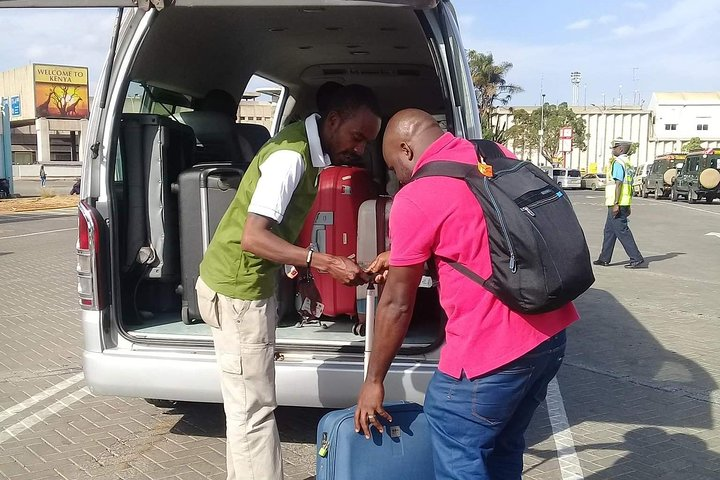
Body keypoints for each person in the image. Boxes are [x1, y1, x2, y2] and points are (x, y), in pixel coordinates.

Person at [354, 108, 578, 480]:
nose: (397, 177)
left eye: (394, 166)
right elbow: (481, 227)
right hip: (551, 335)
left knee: (455, 440)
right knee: (504, 446)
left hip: (487, 354)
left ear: (406, 150)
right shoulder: (495, 154)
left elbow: (397, 303)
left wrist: (374, 381)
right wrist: (405, 254)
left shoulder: (416, 197)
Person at [196, 84, 381, 480]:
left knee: (248, 406)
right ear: (333, 122)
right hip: (237, 290)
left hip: (246, 286)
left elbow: (283, 224)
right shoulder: (289, 157)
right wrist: (324, 261)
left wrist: (304, 273)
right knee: (253, 411)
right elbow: (254, 237)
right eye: (357, 137)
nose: (361, 149)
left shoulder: (310, 154)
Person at [593, 139, 644, 269]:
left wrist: (616, 203)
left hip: (617, 203)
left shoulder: (618, 163)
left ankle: (636, 258)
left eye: (614, 147)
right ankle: (604, 258)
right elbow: (629, 186)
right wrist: (627, 205)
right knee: (609, 231)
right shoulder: (628, 163)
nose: (612, 150)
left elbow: (619, 184)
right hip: (624, 202)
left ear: (620, 149)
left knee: (622, 231)